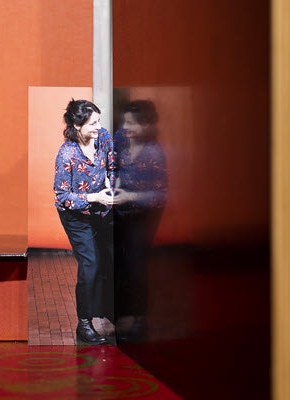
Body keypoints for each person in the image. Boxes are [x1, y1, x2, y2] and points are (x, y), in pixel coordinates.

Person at [53, 99, 116, 344]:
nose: (98, 127)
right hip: (76, 216)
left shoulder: (103, 137)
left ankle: (108, 312)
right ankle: (84, 324)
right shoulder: (67, 153)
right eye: (92, 123)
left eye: (99, 121)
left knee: (108, 259)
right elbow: (63, 196)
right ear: (77, 125)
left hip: (101, 210)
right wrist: (94, 197)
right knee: (90, 263)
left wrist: (111, 184)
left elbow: (112, 164)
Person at [112, 99, 168, 341]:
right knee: (118, 262)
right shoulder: (121, 138)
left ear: (146, 125)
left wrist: (131, 196)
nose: (125, 127)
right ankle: (120, 315)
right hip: (121, 209)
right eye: (124, 122)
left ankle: (139, 320)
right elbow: (112, 164)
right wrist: (113, 185)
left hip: (145, 215)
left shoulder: (155, 152)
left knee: (136, 265)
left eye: (131, 123)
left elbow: (160, 195)